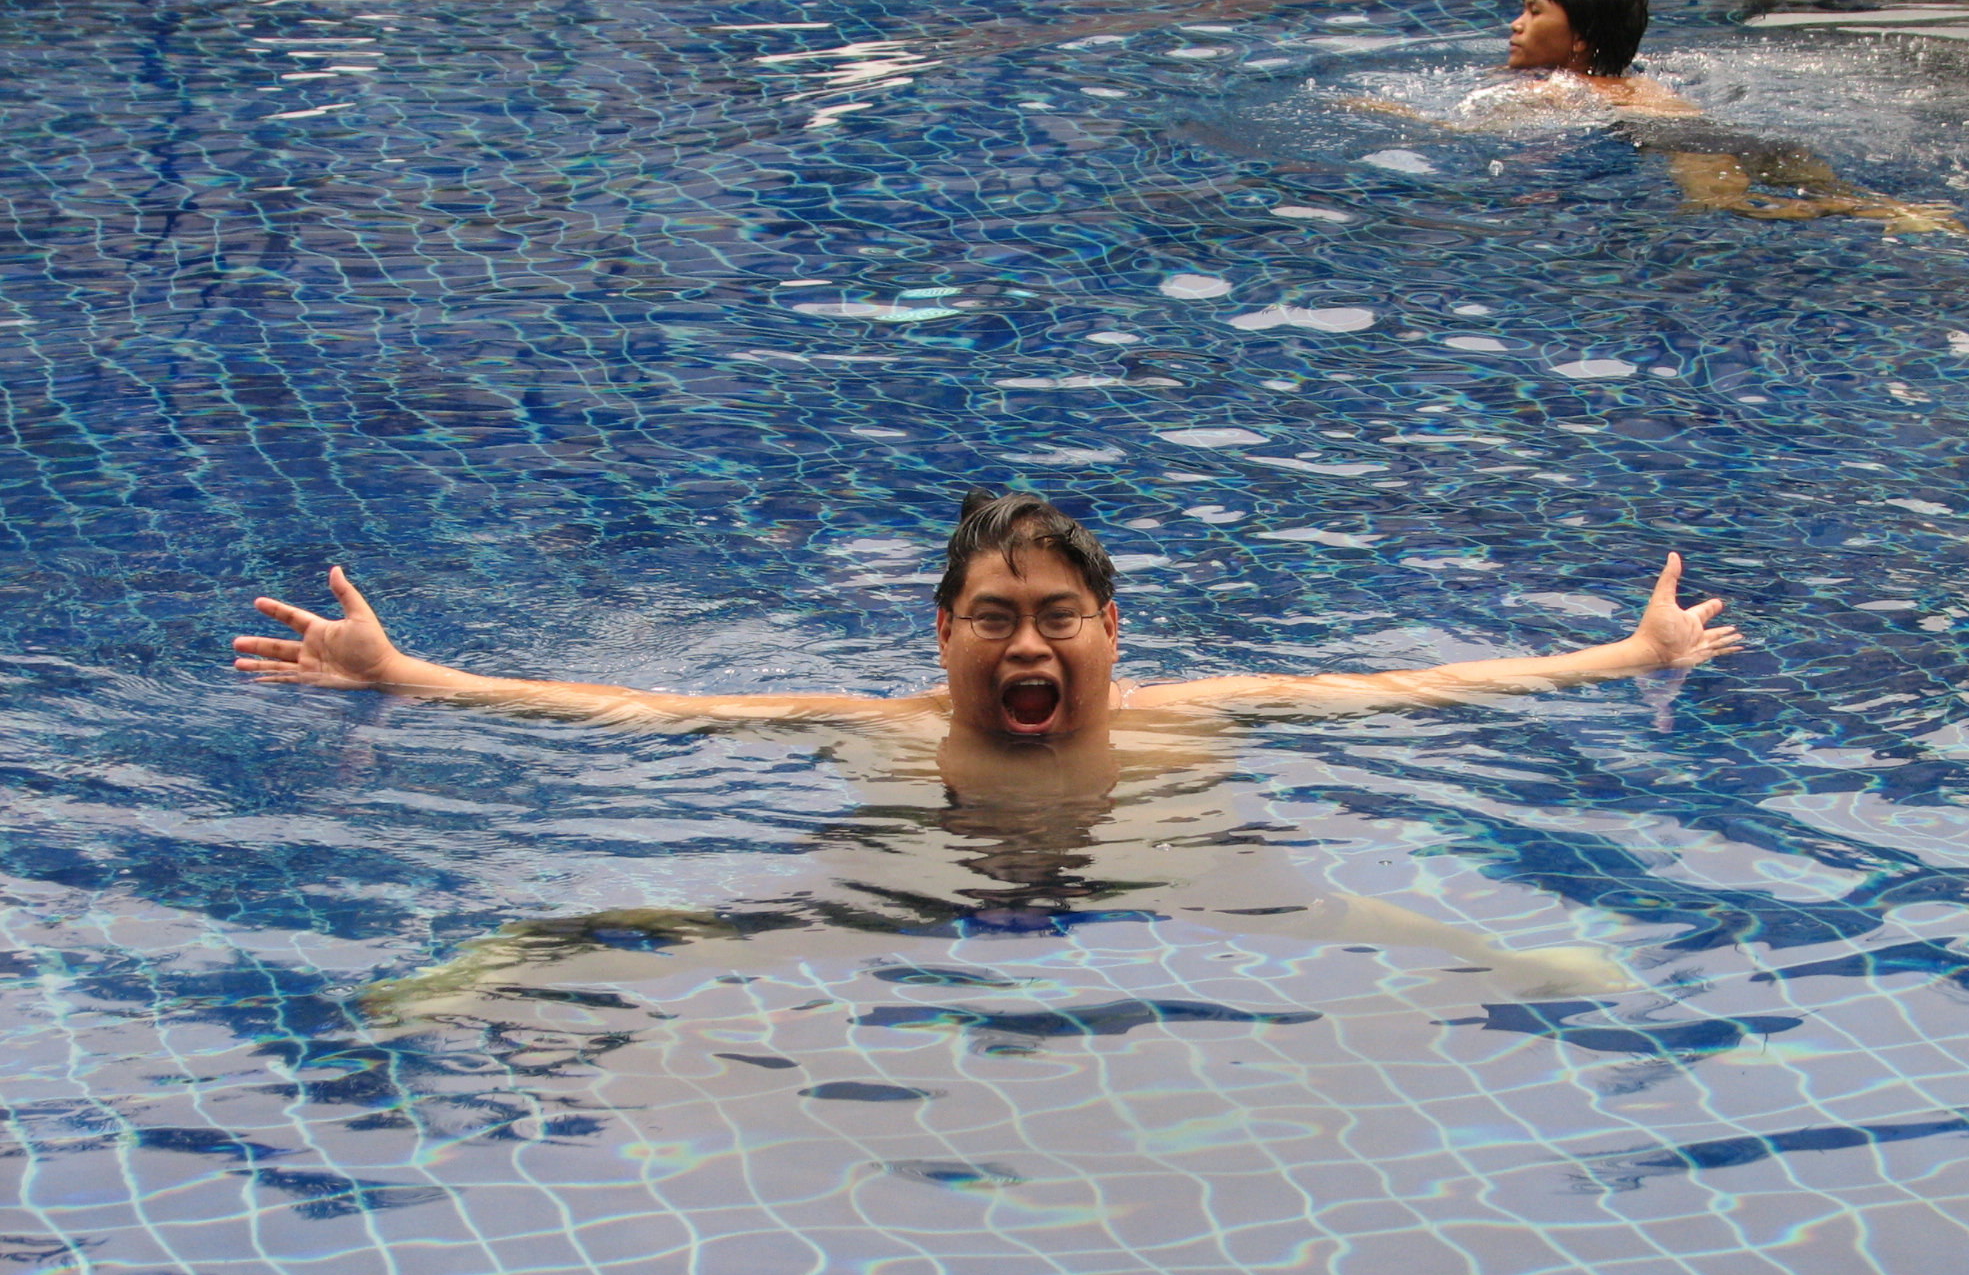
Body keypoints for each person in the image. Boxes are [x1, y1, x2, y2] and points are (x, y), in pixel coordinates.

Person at [232, 489, 1740, 1015]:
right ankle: (521, 956)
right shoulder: (874, 731)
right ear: (943, 632)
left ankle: (1522, 967)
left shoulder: (1186, 719)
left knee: (1346, 914)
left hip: (1160, 870)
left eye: (1058, 618)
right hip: (913, 880)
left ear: (1109, 630)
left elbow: (1413, 689)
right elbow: (638, 713)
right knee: (720, 925)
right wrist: (411, 678)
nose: (1029, 646)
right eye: (996, 619)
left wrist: (1627, 657)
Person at [1339, 0, 1955, 230]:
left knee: (1736, 211)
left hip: (1686, 146)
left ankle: (1851, 212)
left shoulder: (1565, 88)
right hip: (1742, 135)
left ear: (1580, 39)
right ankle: (1905, 213)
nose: (1516, 25)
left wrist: (1394, 114)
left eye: (1533, 12)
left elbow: (1472, 129)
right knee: (1853, 193)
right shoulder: (1640, 81)